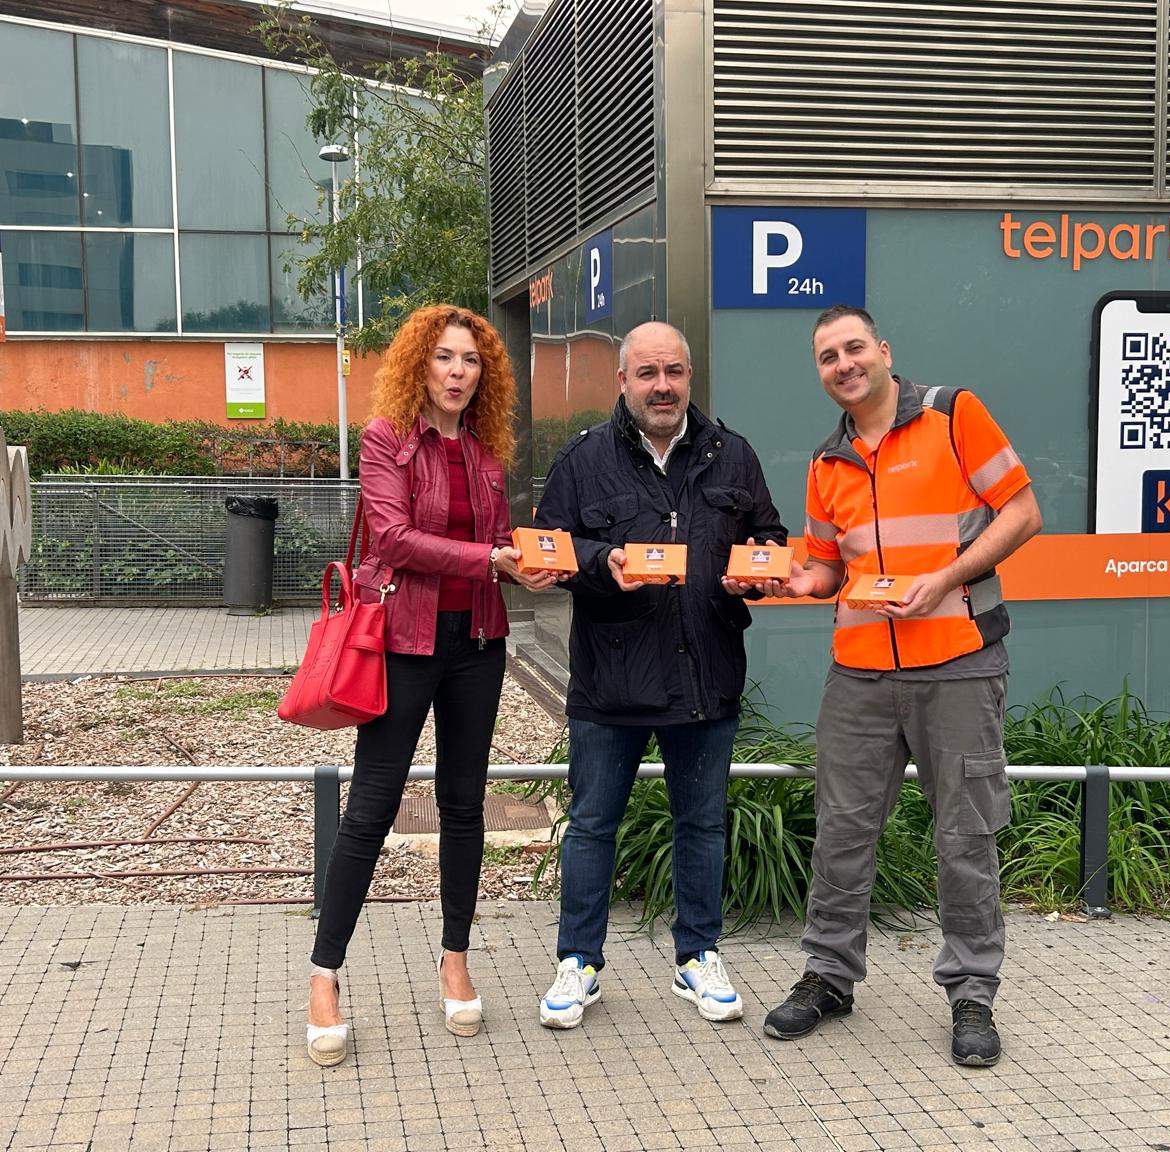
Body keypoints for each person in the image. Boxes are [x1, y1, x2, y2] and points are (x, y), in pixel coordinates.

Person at [761, 304, 1042, 1067]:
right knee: (842, 831)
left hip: (957, 658)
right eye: (827, 356)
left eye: (854, 348)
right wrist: (783, 581)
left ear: (883, 350)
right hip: (859, 669)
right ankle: (829, 976)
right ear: (819, 373)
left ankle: (972, 992)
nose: (843, 364)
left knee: (965, 834)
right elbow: (825, 569)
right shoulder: (826, 462)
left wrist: (945, 578)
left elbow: (1022, 512)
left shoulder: (954, 414)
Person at [305, 305, 566, 1067]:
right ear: (420, 364)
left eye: (471, 361)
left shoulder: (484, 454)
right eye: (445, 358)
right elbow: (390, 539)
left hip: (477, 645)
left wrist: (533, 567)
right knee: (372, 808)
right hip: (402, 642)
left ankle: (455, 958)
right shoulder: (387, 440)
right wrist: (492, 562)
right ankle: (325, 975)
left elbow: (495, 548)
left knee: (463, 804)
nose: (458, 372)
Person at [531, 320, 785, 1028]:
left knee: (701, 825)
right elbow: (548, 545)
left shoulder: (731, 455)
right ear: (623, 381)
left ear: (689, 377)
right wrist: (595, 562)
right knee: (591, 827)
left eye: (673, 371)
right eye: (647, 373)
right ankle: (578, 962)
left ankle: (697, 957)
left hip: (705, 675)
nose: (662, 385)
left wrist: (759, 572)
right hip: (610, 683)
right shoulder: (583, 459)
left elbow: (768, 535)